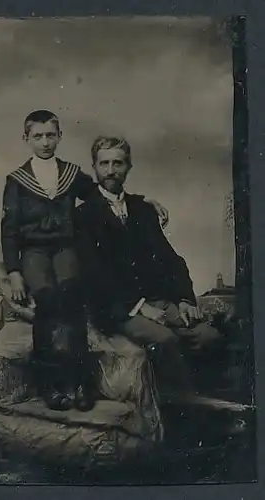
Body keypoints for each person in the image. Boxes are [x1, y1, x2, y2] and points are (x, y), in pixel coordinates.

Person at [1, 112, 168, 412]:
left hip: (66, 246)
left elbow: (103, 193)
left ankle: (80, 382)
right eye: (37, 136)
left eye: (50, 135)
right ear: (26, 139)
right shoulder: (17, 180)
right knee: (47, 299)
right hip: (35, 251)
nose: (45, 142)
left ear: (60, 136)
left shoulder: (70, 173)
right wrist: (14, 271)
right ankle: (50, 384)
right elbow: (9, 229)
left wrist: (143, 201)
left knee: (73, 295)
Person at [74, 135, 237, 408]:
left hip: (159, 299)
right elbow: (96, 276)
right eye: (104, 163)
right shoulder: (83, 216)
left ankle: (206, 401)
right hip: (117, 308)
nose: (111, 170)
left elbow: (172, 260)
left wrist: (185, 299)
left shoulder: (142, 210)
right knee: (165, 340)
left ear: (129, 167)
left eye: (118, 163)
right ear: (94, 167)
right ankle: (185, 412)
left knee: (209, 336)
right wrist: (140, 307)